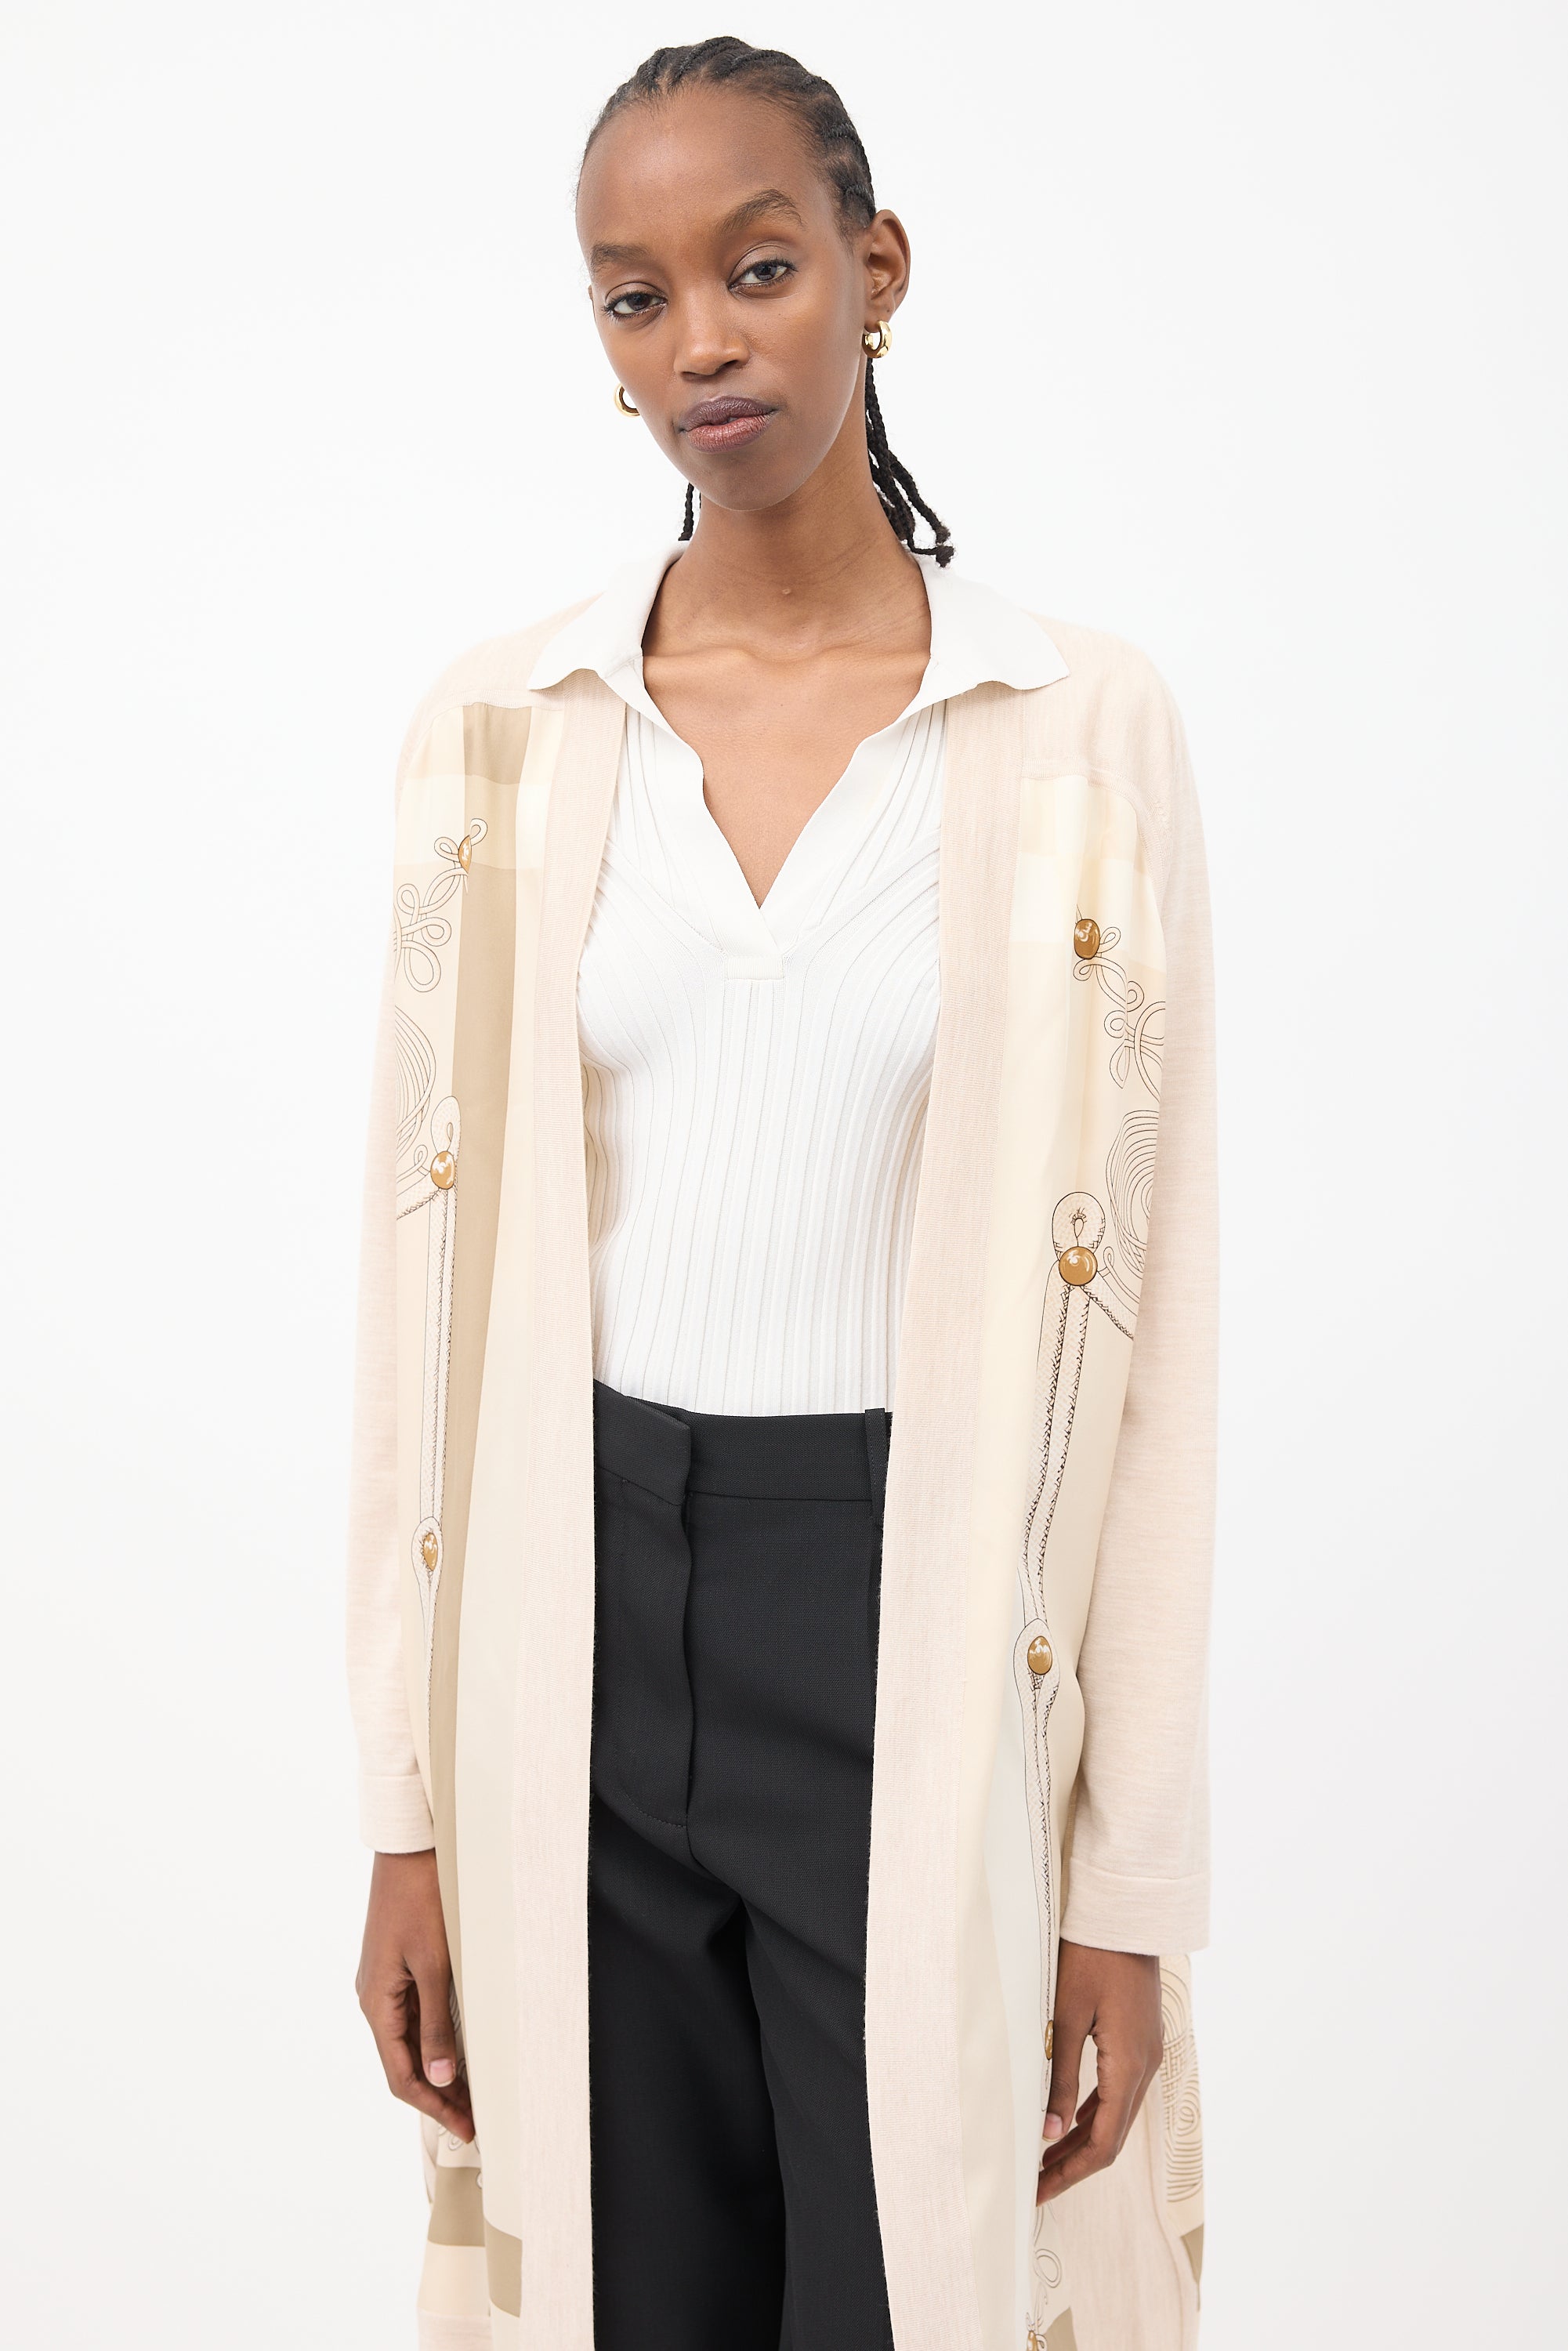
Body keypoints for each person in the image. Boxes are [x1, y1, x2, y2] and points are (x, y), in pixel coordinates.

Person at [347, 35, 1217, 2351]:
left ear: (875, 269)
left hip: (902, 1605)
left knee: (907, 2288)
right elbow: (413, 1310)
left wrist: (1127, 1884)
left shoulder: (1071, 731)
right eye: (633, 297)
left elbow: (1158, 1335)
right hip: (570, 1607)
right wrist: (409, 1809)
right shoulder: (505, 733)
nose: (700, 346)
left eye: (756, 269)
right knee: (629, 2297)